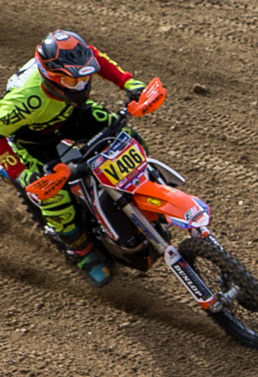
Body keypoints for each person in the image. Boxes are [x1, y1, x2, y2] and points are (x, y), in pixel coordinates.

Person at [1, 31, 155, 287]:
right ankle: (83, 252)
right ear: (51, 77)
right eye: (72, 81)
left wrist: (128, 83)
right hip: (33, 141)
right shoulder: (24, 101)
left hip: (71, 114)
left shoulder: (74, 69)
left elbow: (94, 56)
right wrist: (20, 173)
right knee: (54, 196)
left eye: (84, 78)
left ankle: (142, 188)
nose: (81, 85)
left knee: (127, 137)